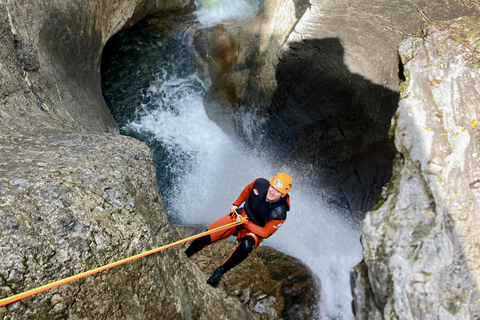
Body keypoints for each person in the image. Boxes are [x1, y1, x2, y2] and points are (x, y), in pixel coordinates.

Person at [185, 172, 292, 287]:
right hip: (241, 215)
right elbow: (247, 190)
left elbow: (265, 233)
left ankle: (220, 271)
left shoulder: (280, 214)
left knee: (246, 247)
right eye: (272, 187)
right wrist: (236, 204)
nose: (272, 191)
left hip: (254, 229)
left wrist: (246, 224)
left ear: (282, 195)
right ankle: (185, 255)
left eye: (277, 191)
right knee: (207, 235)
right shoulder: (259, 184)